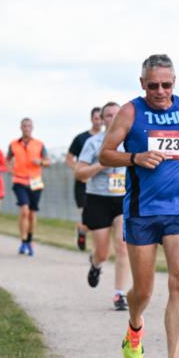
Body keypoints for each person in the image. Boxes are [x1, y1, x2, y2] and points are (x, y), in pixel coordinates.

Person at [99, 53, 179, 358]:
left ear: (174, 82)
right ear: (142, 84)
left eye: (166, 85)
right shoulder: (130, 112)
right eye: (153, 86)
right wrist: (135, 157)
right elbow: (105, 154)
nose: (160, 92)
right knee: (144, 290)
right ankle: (135, 325)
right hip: (142, 212)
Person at [74, 102, 130, 310]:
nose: (113, 118)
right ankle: (96, 264)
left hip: (123, 198)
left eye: (116, 114)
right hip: (98, 199)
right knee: (103, 252)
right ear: (102, 119)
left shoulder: (130, 140)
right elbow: (79, 174)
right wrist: (102, 164)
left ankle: (119, 294)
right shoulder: (93, 142)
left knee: (123, 246)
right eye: (108, 115)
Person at [7, 118, 51, 257]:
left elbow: (48, 161)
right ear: (21, 127)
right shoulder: (13, 144)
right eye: (24, 126)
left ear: (32, 128)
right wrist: (11, 170)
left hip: (35, 181)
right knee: (24, 210)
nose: (26, 128)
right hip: (19, 180)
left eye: (29, 126)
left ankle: (30, 240)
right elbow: (7, 160)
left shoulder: (39, 144)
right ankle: (23, 240)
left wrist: (41, 162)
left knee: (32, 214)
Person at [67, 107, 103, 251]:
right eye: (96, 119)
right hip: (83, 183)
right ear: (91, 119)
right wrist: (80, 171)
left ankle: (83, 230)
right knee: (86, 214)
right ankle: (84, 231)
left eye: (100, 119)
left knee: (96, 217)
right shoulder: (81, 138)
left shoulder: (108, 138)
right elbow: (69, 158)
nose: (98, 122)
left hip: (101, 184)